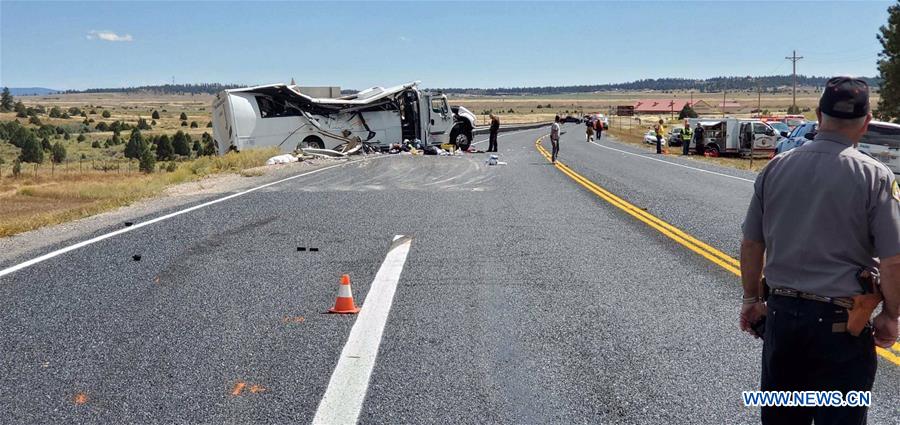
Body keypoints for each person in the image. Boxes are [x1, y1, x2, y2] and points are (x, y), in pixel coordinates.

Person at [739, 77, 900, 425]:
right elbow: (892, 260)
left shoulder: (776, 168)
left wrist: (752, 299)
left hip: (782, 320)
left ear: (818, 114)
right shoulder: (876, 176)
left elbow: (752, 243)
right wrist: (890, 315)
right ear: (867, 121)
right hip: (842, 327)